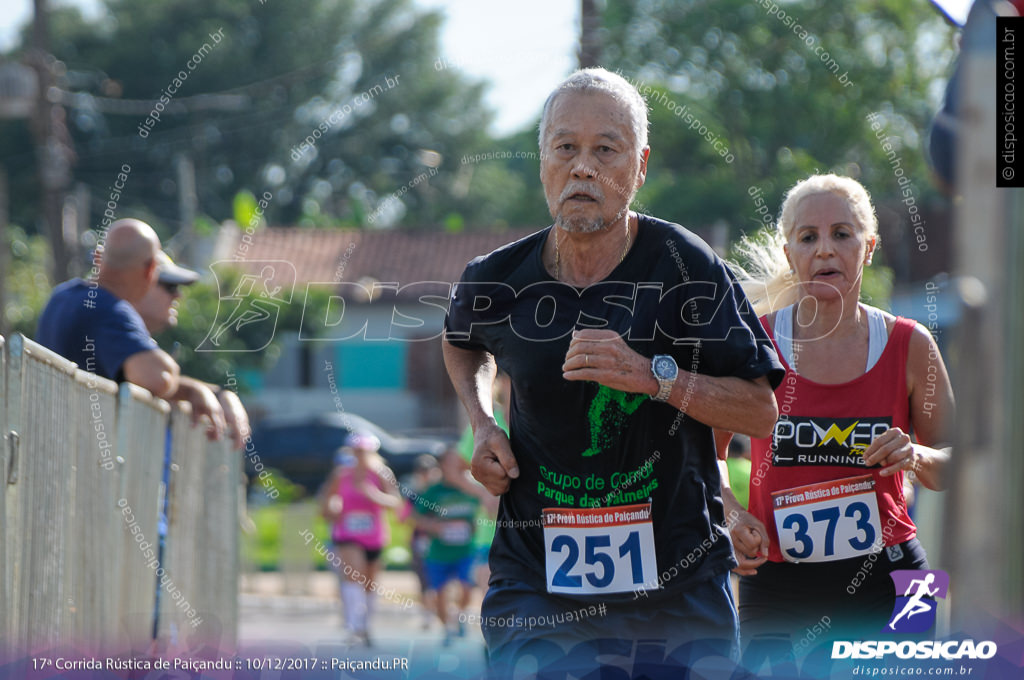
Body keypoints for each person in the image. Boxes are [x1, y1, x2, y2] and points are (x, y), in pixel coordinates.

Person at [442, 68, 783, 675]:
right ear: (542, 161)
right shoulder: (495, 277)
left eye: (606, 149)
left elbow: (759, 409)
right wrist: (483, 422)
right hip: (537, 578)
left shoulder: (687, 268)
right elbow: (462, 341)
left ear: (640, 165)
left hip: (677, 581)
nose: (583, 167)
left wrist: (657, 377)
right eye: (565, 147)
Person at [722, 174, 955, 640]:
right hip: (778, 584)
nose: (825, 249)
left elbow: (959, 464)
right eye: (808, 237)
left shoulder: (911, 345)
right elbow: (707, 455)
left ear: (869, 247)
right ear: (791, 255)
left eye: (842, 234)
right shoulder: (754, 344)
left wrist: (916, 455)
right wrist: (731, 515)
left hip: (893, 578)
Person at [36, 218, 180, 398]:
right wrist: (170, 367)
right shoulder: (111, 310)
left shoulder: (61, 296)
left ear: (99, 257)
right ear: (150, 269)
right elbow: (158, 378)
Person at [134, 251, 250, 449]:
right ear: (138, 281)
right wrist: (200, 391)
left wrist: (218, 393)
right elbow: (153, 379)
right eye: (170, 286)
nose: (178, 295)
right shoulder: (103, 328)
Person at [319, 432, 402, 646]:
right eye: (357, 452)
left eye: (365, 452)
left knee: (370, 583)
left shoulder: (382, 474)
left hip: (374, 536)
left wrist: (373, 495)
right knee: (352, 576)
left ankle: (365, 625)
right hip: (347, 534)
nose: (361, 456)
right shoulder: (341, 474)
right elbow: (326, 500)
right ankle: (354, 626)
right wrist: (331, 507)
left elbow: (395, 502)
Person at [414, 447, 484, 646]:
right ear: (443, 466)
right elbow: (416, 517)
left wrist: (477, 524)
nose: (456, 466)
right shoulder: (434, 491)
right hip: (439, 552)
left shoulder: (472, 488)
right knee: (439, 594)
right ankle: (447, 628)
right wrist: (432, 525)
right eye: (451, 462)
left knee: (467, 587)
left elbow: (488, 507)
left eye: (459, 461)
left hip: (466, 550)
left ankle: (460, 615)